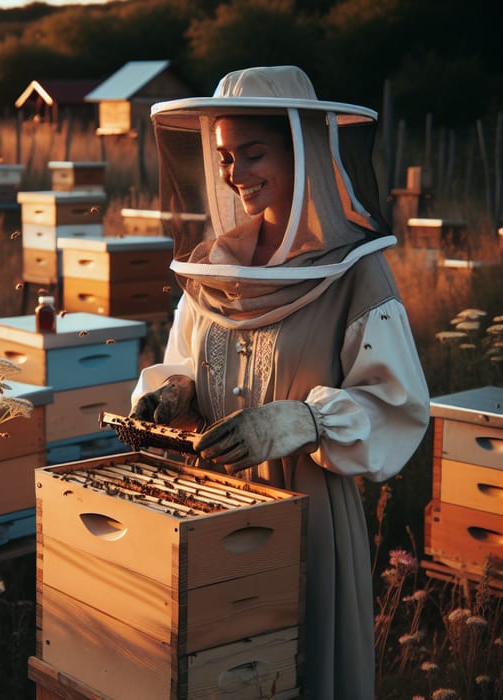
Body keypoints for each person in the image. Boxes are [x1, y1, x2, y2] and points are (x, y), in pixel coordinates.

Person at [130, 66, 430, 700]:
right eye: (224, 157)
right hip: (209, 500)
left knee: (299, 672)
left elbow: (397, 404)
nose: (235, 173)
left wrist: (307, 422)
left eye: (253, 153)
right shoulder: (216, 265)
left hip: (309, 515)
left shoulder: (356, 273)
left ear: (303, 148)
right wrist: (175, 392)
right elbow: (185, 357)